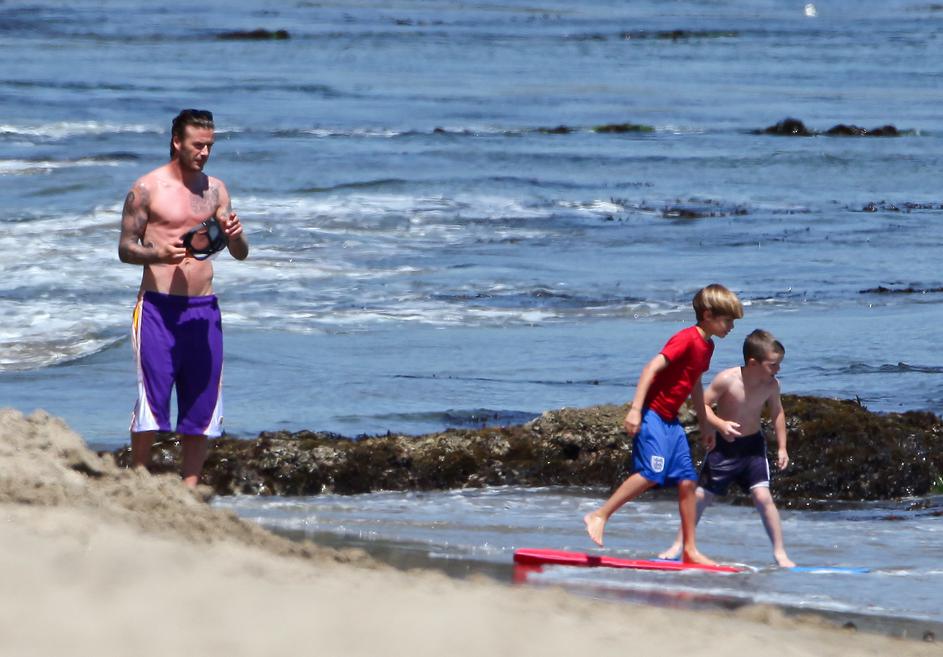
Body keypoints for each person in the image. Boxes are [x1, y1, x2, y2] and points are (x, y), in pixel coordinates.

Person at [118, 109, 248, 488]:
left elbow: (239, 252)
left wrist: (236, 235)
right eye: (197, 145)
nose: (204, 153)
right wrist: (158, 253)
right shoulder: (147, 189)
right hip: (158, 308)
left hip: (203, 309)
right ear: (177, 141)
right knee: (152, 401)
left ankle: (189, 489)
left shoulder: (216, 190)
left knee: (201, 404)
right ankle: (138, 481)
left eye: (209, 146)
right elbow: (125, 249)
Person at [584, 284, 743, 566]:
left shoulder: (707, 346)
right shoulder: (685, 339)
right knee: (651, 473)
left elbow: (694, 384)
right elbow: (650, 368)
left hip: (671, 421)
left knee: (687, 482)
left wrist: (706, 424)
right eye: (728, 320)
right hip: (652, 415)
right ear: (708, 314)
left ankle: (690, 549)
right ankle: (600, 514)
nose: (731, 326)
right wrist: (635, 411)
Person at [658, 329, 795, 567]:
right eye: (773, 365)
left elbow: (777, 413)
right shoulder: (727, 379)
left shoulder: (772, 385)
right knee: (701, 497)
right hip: (724, 448)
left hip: (753, 449)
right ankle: (679, 545)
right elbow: (702, 404)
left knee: (763, 498)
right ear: (753, 363)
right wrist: (719, 425)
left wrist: (782, 447)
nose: (778, 369)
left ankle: (780, 553)